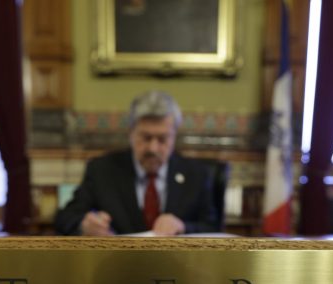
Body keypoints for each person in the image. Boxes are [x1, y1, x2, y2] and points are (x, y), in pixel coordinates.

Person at [54, 90, 221, 236]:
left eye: (162, 139)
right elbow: (64, 218)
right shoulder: (102, 170)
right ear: (131, 133)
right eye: (146, 137)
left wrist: (183, 227)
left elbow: (213, 228)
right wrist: (85, 225)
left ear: (174, 136)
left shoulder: (196, 174)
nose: (153, 148)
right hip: (118, 266)